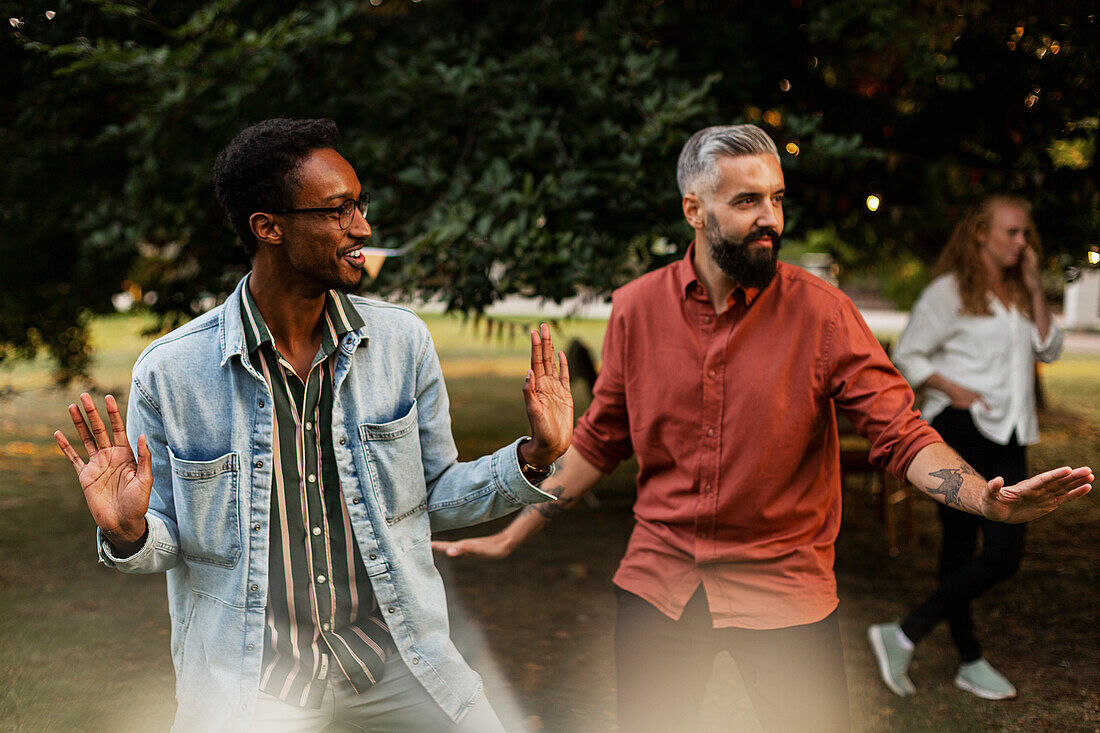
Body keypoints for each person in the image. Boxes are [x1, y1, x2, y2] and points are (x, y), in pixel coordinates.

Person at [431, 125, 1093, 732]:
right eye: (748, 201)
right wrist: (513, 531)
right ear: (694, 209)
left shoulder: (823, 313)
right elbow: (602, 441)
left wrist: (984, 498)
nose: (769, 218)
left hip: (785, 596)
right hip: (660, 588)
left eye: (776, 198)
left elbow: (901, 431)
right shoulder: (636, 309)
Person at [53, 118, 574, 732]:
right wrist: (129, 532)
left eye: (361, 204)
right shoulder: (172, 373)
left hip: (398, 662)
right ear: (268, 228)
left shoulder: (401, 343)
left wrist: (536, 455)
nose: (363, 228)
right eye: (337, 211)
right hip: (254, 684)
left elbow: (433, 498)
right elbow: (165, 543)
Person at [867, 195, 1064, 701]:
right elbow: (907, 354)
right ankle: (969, 657)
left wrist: (1037, 286)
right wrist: (953, 389)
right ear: (980, 233)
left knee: (1003, 554)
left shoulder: (1020, 292)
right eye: (1011, 233)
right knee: (963, 550)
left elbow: (1049, 348)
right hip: (961, 427)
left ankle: (906, 633)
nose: (1022, 242)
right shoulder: (947, 291)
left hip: (1011, 431)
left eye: (1026, 234)